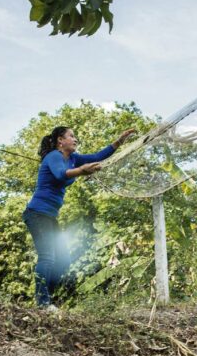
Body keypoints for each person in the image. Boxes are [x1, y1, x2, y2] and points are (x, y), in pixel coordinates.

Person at [22, 126, 135, 309]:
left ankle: (47, 301)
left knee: (63, 260)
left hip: (50, 216)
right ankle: (42, 303)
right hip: (36, 213)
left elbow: (98, 155)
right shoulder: (54, 157)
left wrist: (119, 141)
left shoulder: (73, 158)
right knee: (47, 257)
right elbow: (60, 174)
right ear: (60, 140)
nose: (75, 140)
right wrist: (82, 170)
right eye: (71, 136)